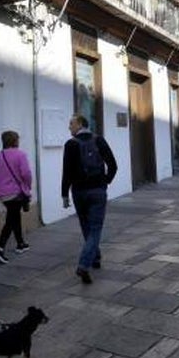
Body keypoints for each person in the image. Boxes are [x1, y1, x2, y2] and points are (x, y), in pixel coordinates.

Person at [60, 114, 118, 284]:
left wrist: (64, 194)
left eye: (71, 123)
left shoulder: (70, 144)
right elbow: (113, 165)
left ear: (79, 124)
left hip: (79, 192)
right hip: (97, 191)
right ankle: (92, 259)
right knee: (95, 228)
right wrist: (105, 181)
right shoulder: (99, 140)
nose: (69, 127)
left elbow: (67, 172)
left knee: (87, 227)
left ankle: (86, 262)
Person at [0, 130, 34, 264]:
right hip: (16, 193)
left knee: (14, 216)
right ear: (15, 141)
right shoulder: (20, 155)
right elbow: (26, 173)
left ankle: (21, 243)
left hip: (3, 195)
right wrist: (27, 185)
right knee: (11, 220)